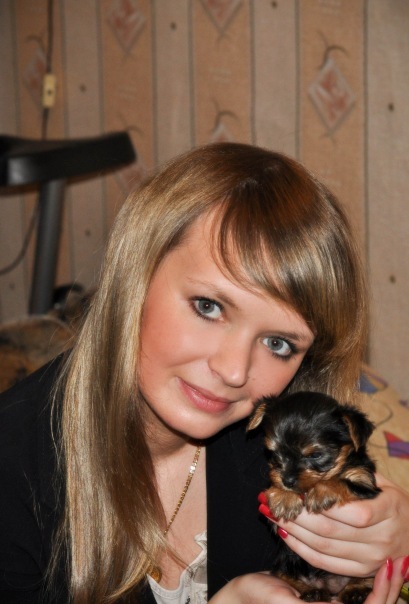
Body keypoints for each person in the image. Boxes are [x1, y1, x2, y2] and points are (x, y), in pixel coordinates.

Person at [0, 142, 408, 604]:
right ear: (135, 273)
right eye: (208, 307)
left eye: (278, 343)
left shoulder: (280, 445)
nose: (233, 371)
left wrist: (397, 539)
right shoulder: (13, 468)